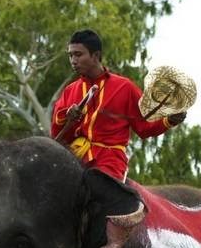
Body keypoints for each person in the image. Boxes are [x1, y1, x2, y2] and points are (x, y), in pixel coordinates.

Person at [50, 29, 186, 182]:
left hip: (110, 162)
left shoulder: (124, 87)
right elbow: (56, 136)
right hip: (76, 158)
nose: (73, 60)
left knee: (99, 193)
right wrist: (66, 118)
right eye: (70, 55)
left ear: (96, 56)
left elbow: (145, 127)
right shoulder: (70, 90)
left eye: (78, 54)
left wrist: (170, 120)